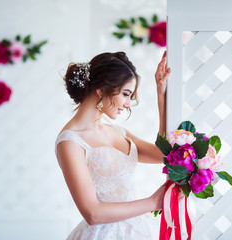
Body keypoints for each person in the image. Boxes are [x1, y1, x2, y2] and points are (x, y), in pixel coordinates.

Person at [55, 51, 171, 239]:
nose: (128, 104)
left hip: (137, 230)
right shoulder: (70, 142)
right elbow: (93, 213)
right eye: (126, 94)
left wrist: (161, 94)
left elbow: (162, 154)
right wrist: (153, 202)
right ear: (101, 89)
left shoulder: (117, 131)